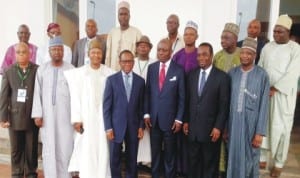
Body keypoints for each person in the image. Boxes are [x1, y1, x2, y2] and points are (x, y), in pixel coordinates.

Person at [259, 14, 300, 177]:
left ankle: (278, 163)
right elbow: (261, 68)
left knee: (282, 129)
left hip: (283, 97)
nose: (276, 34)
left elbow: (294, 72)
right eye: (274, 31)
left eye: (280, 32)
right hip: (266, 94)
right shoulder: (267, 47)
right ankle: (262, 157)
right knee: (264, 125)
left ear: (288, 32)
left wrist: (275, 88)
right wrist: (263, 87)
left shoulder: (295, 49)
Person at [65, 40, 114, 178]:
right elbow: (75, 96)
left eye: (99, 52)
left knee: (103, 149)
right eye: (93, 52)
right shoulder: (79, 73)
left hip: (104, 119)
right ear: (88, 54)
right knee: (87, 148)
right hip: (86, 118)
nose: (96, 55)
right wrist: (76, 119)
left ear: (102, 55)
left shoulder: (109, 72)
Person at [183, 42, 230, 178]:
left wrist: (218, 127)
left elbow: (224, 105)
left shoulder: (222, 77)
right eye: (199, 55)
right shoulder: (191, 75)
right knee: (193, 164)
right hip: (193, 131)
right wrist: (186, 121)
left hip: (211, 132)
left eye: (205, 55)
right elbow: (188, 101)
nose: (201, 58)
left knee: (209, 165)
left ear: (211, 56)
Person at [31, 36, 74, 178]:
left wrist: (76, 117)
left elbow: (76, 95)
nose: (57, 52)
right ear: (49, 52)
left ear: (63, 51)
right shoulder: (42, 69)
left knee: (65, 147)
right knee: (49, 148)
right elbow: (37, 92)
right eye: (54, 49)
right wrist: (37, 114)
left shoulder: (71, 70)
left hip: (66, 117)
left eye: (59, 49)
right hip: (47, 117)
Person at [226, 37, 270, 178]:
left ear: (255, 56)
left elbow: (264, 105)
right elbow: (226, 103)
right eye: (243, 53)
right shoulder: (232, 74)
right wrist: (225, 127)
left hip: (251, 126)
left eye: (249, 53)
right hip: (233, 124)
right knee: (232, 156)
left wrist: (260, 132)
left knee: (251, 157)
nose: (245, 56)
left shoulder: (262, 75)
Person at [144, 39, 185, 178]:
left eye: (164, 50)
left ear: (171, 52)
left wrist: (179, 119)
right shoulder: (152, 68)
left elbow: (182, 97)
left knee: (169, 156)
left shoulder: (178, 70)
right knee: (155, 155)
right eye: (159, 50)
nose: (161, 53)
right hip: (153, 120)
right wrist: (146, 114)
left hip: (171, 121)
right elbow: (147, 92)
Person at [103, 50, 145, 178]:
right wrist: (108, 127)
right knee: (114, 159)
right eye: (124, 61)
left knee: (132, 158)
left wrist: (141, 126)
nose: (127, 63)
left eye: (130, 61)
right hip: (115, 127)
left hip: (133, 126)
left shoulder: (140, 81)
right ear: (120, 62)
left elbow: (142, 106)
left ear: (133, 62)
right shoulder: (111, 80)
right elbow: (107, 106)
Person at [0, 42, 39, 178]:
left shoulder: (37, 70)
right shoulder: (9, 71)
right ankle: (16, 172)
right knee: (16, 149)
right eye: (18, 52)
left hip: (32, 116)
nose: (21, 54)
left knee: (31, 147)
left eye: (24, 52)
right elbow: (4, 96)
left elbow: (41, 94)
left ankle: (31, 172)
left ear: (30, 54)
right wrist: (3, 118)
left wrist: (40, 115)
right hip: (14, 117)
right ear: (15, 54)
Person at [133, 35, 155, 166]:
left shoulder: (154, 62)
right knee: (134, 128)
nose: (143, 47)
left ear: (150, 48)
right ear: (136, 48)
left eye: (146, 45)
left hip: (149, 100)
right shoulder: (131, 61)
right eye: (140, 45)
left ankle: (147, 160)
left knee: (146, 130)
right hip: (134, 100)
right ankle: (134, 159)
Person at [105, 1, 142, 71]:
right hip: (113, 72)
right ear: (118, 16)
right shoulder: (112, 32)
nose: (123, 17)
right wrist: (107, 71)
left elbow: (139, 56)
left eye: (125, 14)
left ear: (129, 16)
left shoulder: (136, 33)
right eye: (121, 14)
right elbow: (108, 55)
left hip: (130, 72)